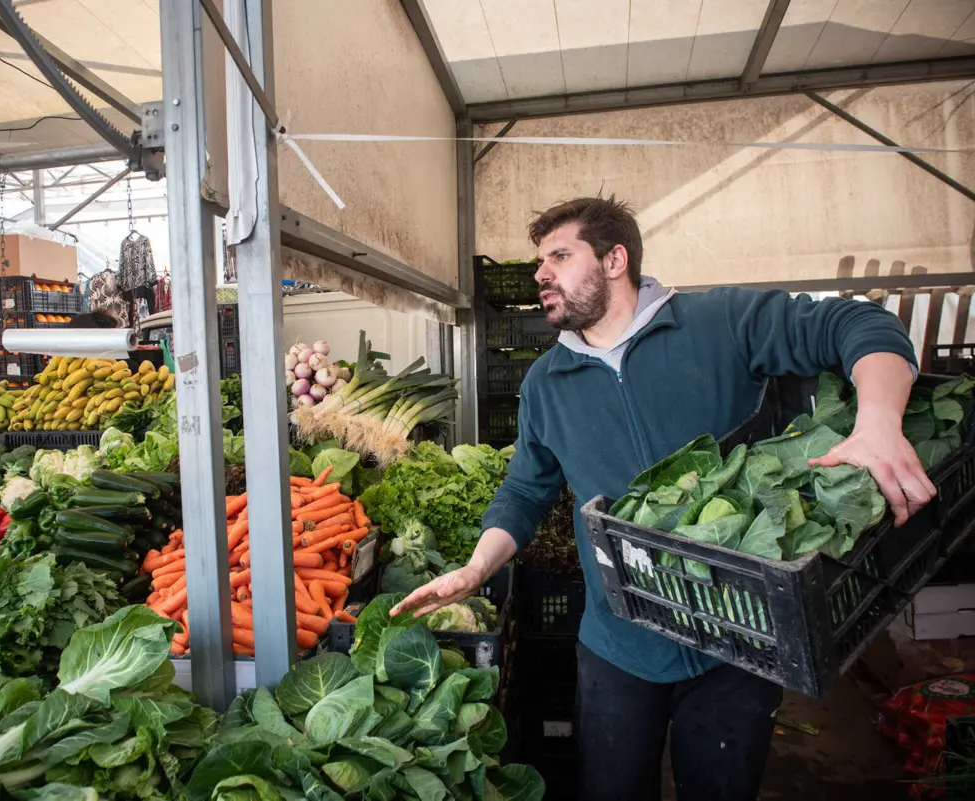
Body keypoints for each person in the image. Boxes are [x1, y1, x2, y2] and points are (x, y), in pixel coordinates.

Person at [391, 196, 933, 801]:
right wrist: (475, 567)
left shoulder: (720, 320)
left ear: (615, 259)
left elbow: (859, 325)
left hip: (737, 640)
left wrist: (879, 424)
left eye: (559, 256)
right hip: (618, 643)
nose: (540, 274)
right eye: (539, 261)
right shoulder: (546, 383)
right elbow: (525, 487)